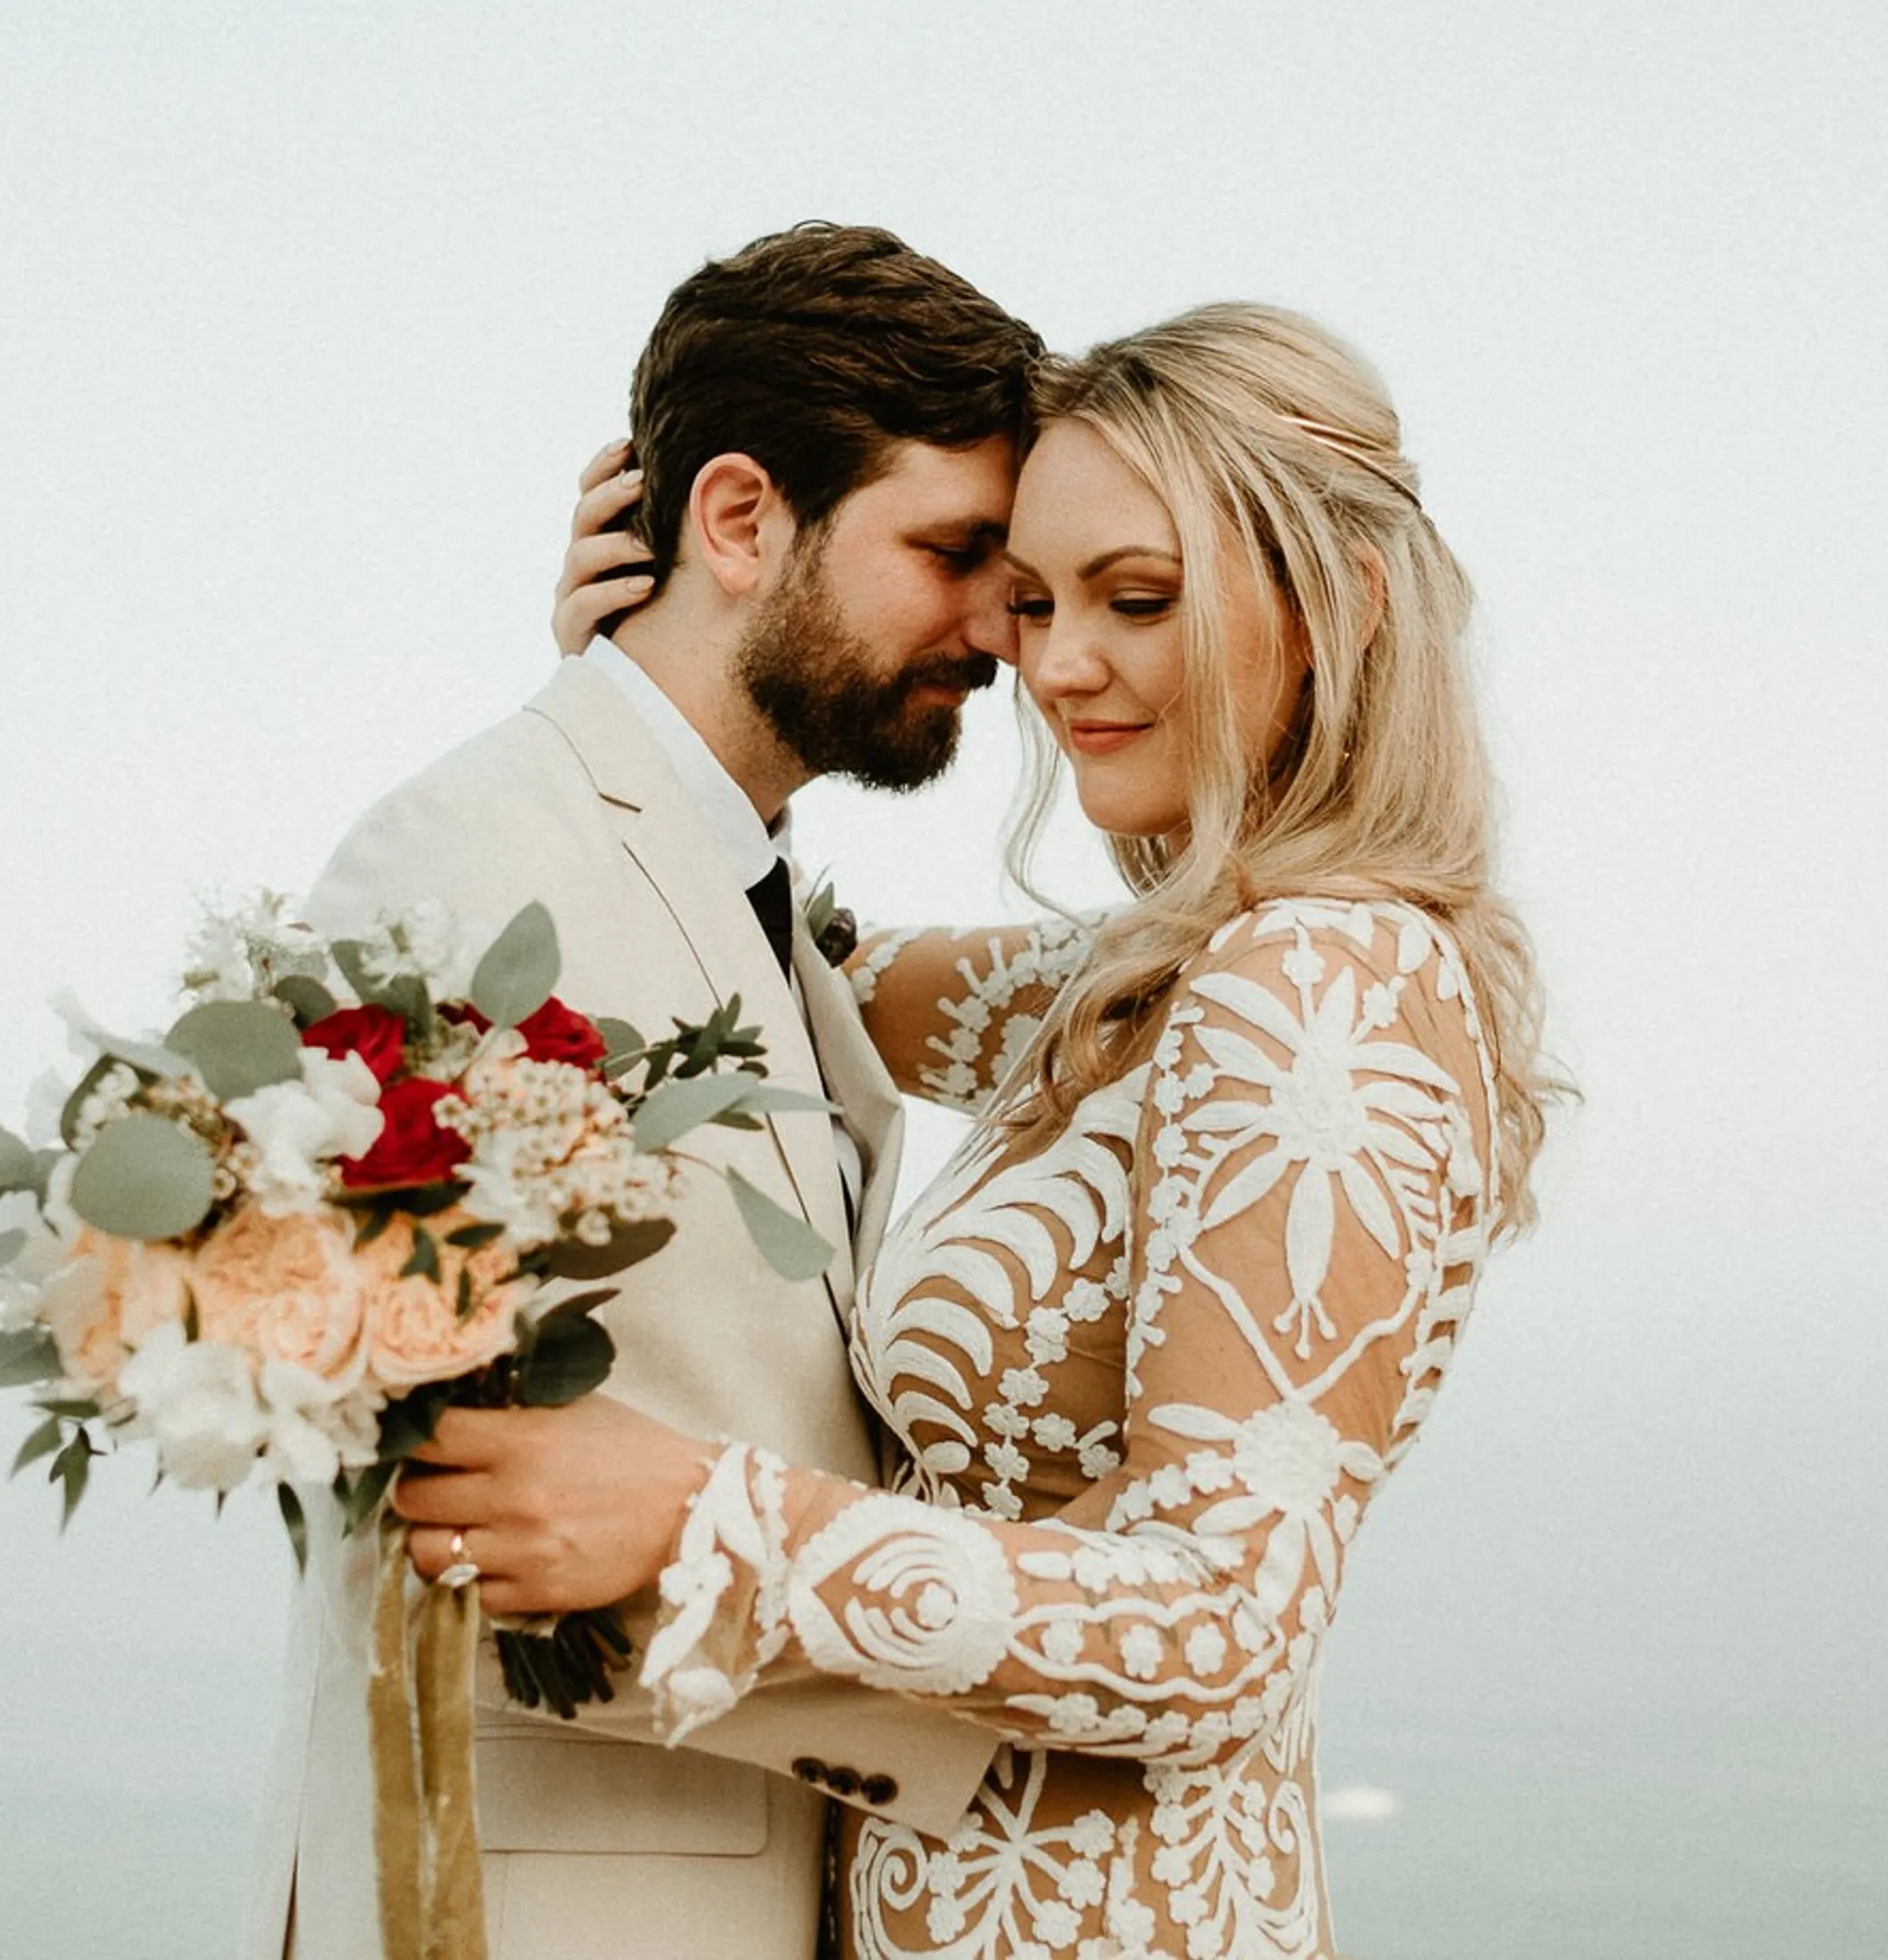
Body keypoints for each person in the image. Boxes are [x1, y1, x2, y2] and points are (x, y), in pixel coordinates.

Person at [391, 303, 1561, 1958]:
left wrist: (692, 1510)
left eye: (1134, 598)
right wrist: (656, 705)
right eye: (1033, 600)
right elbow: (805, 975)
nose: (1056, 662)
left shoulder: (1321, 981)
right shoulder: (1163, 974)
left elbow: (1224, 1626)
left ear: (1344, 599)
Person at [245, 222, 1044, 1960]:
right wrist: (973, 1693)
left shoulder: (742, 883)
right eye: (954, 553)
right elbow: (421, 1509)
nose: (1001, 630)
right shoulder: (459, 868)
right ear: (742, 519)